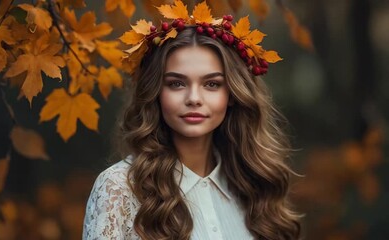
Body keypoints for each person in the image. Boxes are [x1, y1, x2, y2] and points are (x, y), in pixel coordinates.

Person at [83, 1, 301, 239]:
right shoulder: (119, 188)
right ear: (156, 92)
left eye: (212, 84)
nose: (194, 98)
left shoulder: (255, 186)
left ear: (232, 94)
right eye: (176, 83)